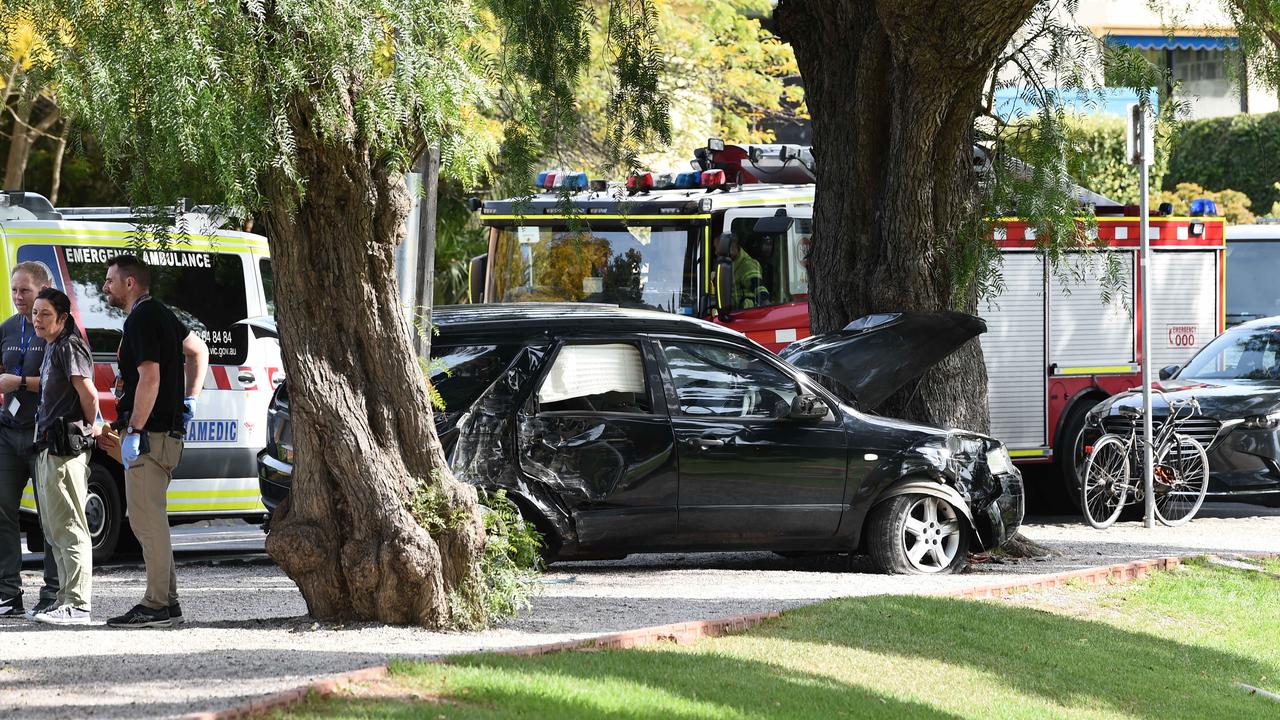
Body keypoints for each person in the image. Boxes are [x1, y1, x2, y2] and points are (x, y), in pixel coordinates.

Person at [100, 255, 208, 629]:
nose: (105, 287)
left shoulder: (142, 317)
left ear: (130, 283)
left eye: (110, 280)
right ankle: (168, 602)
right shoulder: (162, 313)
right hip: (165, 433)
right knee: (152, 519)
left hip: (150, 436)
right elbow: (199, 351)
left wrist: (135, 431)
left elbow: (150, 377)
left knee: (147, 523)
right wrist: (190, 398)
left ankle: (156, 603)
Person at [29, 287, 100, 625]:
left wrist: (89, 426)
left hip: (64, 449)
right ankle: (64, 599)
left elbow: (89, 394)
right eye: (35, 313)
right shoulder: (52, 345)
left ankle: (78, 604)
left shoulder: (69, 346)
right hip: (47, 447)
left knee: (70, 525)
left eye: (45, 313)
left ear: (62, 318)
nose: (37, 319)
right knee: (55, 527)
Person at [0, 262, 60, 619]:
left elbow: (61, 378)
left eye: (25, 291)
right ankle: (8, 593)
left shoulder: (57, 329)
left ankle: (52, 593)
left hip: (44, 433)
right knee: (3, 511)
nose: (18, 298)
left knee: (49, 517)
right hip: (8, 431)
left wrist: (19, 383)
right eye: (14, 291)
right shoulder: (7, 328)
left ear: (43, 289)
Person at [729, 233, 770, 309]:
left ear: (733, 245)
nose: (716, 252)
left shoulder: (747, 264)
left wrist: (764, 301)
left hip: (746, 311)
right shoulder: (732, 262)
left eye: (717, 248)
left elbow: (757, 284)